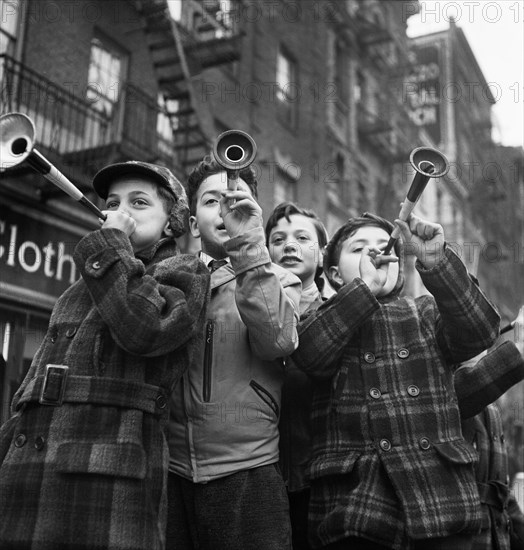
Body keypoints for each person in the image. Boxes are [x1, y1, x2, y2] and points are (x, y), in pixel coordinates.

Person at [0, 161, 210, 550]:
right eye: (113, 201)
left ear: (172, 223)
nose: (120, 210)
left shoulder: (186, 271)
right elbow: (31, 389)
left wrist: (113, 243)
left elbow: (145, 330)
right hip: (26, 476)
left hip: (102, 479)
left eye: (139, 202)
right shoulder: (81, 287)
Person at [291, 211, 500, 549]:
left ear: (399, 266)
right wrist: (364, 291)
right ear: (333, 274)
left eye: (382, 246)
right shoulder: (320, 317)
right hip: (355, 507)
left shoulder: (427, 312)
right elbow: (310, 354)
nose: (376, 254)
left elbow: (480, 332)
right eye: (359, 249)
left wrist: (437, 260)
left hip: (440, 501)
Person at [166, 157, 301, 549]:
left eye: (237, 200)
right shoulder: (172, 276)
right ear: (192, 224)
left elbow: (277, 340)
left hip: (249, 471)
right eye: (212, 202)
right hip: (172, 469)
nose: (226, 209)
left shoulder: (281, 279)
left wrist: (248, 246)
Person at [265, 201, 329, 550]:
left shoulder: (339, 315)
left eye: (302, 237)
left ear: (322, 255)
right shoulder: (248, 314)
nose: (288, 245)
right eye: (277, 239)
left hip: (322, 482)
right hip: (261, 478)